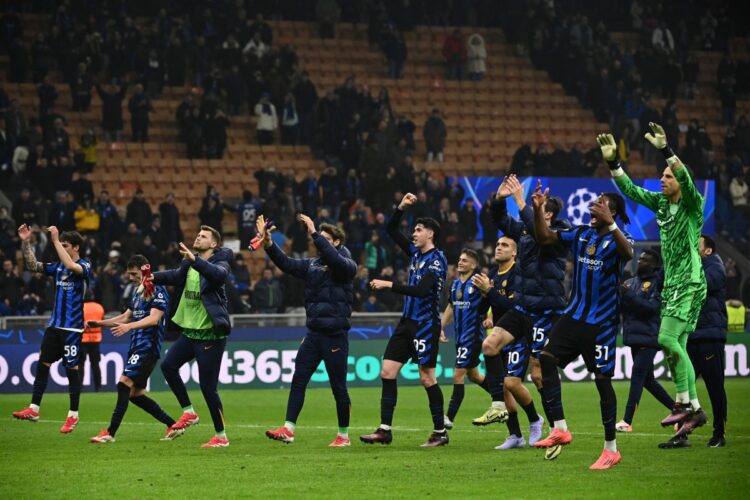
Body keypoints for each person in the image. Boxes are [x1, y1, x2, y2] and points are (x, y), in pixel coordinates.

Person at [600, 124, 708, 442]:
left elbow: (686, 179)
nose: (663, 179)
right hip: (674, 283)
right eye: (662, 175)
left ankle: (684, 403)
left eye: (668, 176)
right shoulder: (661, 205)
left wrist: (666, 151)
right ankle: (694, 408)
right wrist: (613, 164)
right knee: (677, 347)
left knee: (666, 339)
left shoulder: (692, 204)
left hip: (688, 281)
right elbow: (630, 190)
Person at [531, 182, 634, 469]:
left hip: (601, 324)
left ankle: (611, 448)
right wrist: (539, 209)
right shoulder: (581, 234)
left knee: (602, 383)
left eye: (599, 205)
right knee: (546, 358)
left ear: (611, 212)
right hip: (573, 316)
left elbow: (628, 255)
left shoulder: (619, 238)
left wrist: (612, 224)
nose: (592, 207)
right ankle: (560, 427)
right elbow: (545, 238)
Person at [473, 175, 567, 442]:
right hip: (525, 308)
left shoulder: (560, 231)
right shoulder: (524, 232)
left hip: (546, 311)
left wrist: (520, 201)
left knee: (538, 375)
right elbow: (502, 222)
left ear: (547, 213)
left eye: (539, 205)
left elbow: (541, 235)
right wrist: (500, 200)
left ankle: (557, 427)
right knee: (490, 346)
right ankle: (499, 406)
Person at [360, 193, 448, 447]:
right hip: (407, 322)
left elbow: (422, 291)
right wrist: (400, 207)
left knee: (427, 377)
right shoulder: (416, 255)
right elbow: (390, 228)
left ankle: (440, 432)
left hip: (425, 324)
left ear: (430, 234)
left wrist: (389, 284)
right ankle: (384, 430)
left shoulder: (437, 260)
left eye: (419, 230)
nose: (414, 234)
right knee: (387, 371)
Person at [262, 214, 357, 447]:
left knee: (338, 387)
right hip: (314, 335)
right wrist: (269, 244)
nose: (317, 242)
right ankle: (288, 429)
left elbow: (336, 262)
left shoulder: (346, 265)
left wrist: (314, 231)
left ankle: (343, 436)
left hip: (335, 335)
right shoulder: (313, 264)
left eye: (324, 239)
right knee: (298, 380)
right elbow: (287, 264)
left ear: (336, 242)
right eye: (317, 238)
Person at [151, 225, 234, 448]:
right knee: (168, 366)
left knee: (208, 388)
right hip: (191, 333)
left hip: (210, 336)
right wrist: (151, 277)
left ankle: (221, 436)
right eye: (197, 234)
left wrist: (196, 261)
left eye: (204, 236)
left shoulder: (220, 262)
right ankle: (189, 412)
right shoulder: (189, 261)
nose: (198, 237)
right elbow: (176, 276)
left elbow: (219, 275)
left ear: (214, 244)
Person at [88, 255, 182, 443]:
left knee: (123, 384)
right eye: (129, 273)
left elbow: (154, 318)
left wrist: (129, 327)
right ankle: (173, 425)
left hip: (147, 348)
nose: (130, 277)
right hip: (136, 347)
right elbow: (125, 317)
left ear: (144, 270)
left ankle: (110, 432)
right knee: (135, 394)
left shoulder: (158, 289)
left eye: (134, 273)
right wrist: (98, 323)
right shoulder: (138, 292)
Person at [12, 225, 91, 433]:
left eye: (65, 246)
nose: (61, 249)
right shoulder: (58, 268)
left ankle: (73, 415)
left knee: (71, 370)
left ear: (76, 247)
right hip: (55, 326)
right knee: (43, 363)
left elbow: (71, 266)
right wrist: (26, 242)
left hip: (72, 329)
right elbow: (32, 265)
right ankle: (34, 408)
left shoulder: (84, 266)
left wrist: (55, 240)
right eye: (61, 245)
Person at [474, 236, 545, 449]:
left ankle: (535, 420)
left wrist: (490, 292)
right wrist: (483, 294)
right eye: (496, 244)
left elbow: (513, 308)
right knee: (504, 390)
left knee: (511, 383)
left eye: (504, 245)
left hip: (518, 336)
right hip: (500, 338)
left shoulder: (518, 274)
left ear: (514, 252)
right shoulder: (494, 275)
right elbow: (483, 308)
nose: (498, 248)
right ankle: (515, 435)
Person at [617, 249, 675, 433]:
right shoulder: (631, 282)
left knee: (637, 376)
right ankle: (679, 411)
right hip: (634, 336)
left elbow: (651, 309)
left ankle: (627, 421)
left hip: (649, 337)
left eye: (644, 260)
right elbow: (625, 308)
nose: (640, 261)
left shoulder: (658, 283)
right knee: (648, 380)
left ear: (654, 265)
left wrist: (628, 295)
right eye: (639, 258)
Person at [440, 249, 498, 429]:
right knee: (474, 376)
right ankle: (501, 397)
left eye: (465, 260)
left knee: (458, 374)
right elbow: (450, 305)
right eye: (459, 259)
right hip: (459, 337)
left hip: (472, 336)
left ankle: (448, 418)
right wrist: (440, 326)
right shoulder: (455, 284)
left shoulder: (479, 282)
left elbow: (494, 299)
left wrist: (491, 318)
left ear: (473, 265)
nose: (460, 262)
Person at [679, 235, 728, 448]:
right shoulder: (695, 265)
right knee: (685, 389)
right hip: (691, 334)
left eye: (696, 244)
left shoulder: (715, 267)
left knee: (714, 387)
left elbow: (700, 286)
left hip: (709, 335)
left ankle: (719, 434)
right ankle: (681, 435)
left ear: (707, 251)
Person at [81, 295, 105, 391]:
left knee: (80, 364)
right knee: (95, 364)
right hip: (96, 338)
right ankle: (98, 386)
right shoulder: (99, 307)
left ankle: (79, 387)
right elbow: (102, 319)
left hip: (82, 338)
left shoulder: (80, 306)